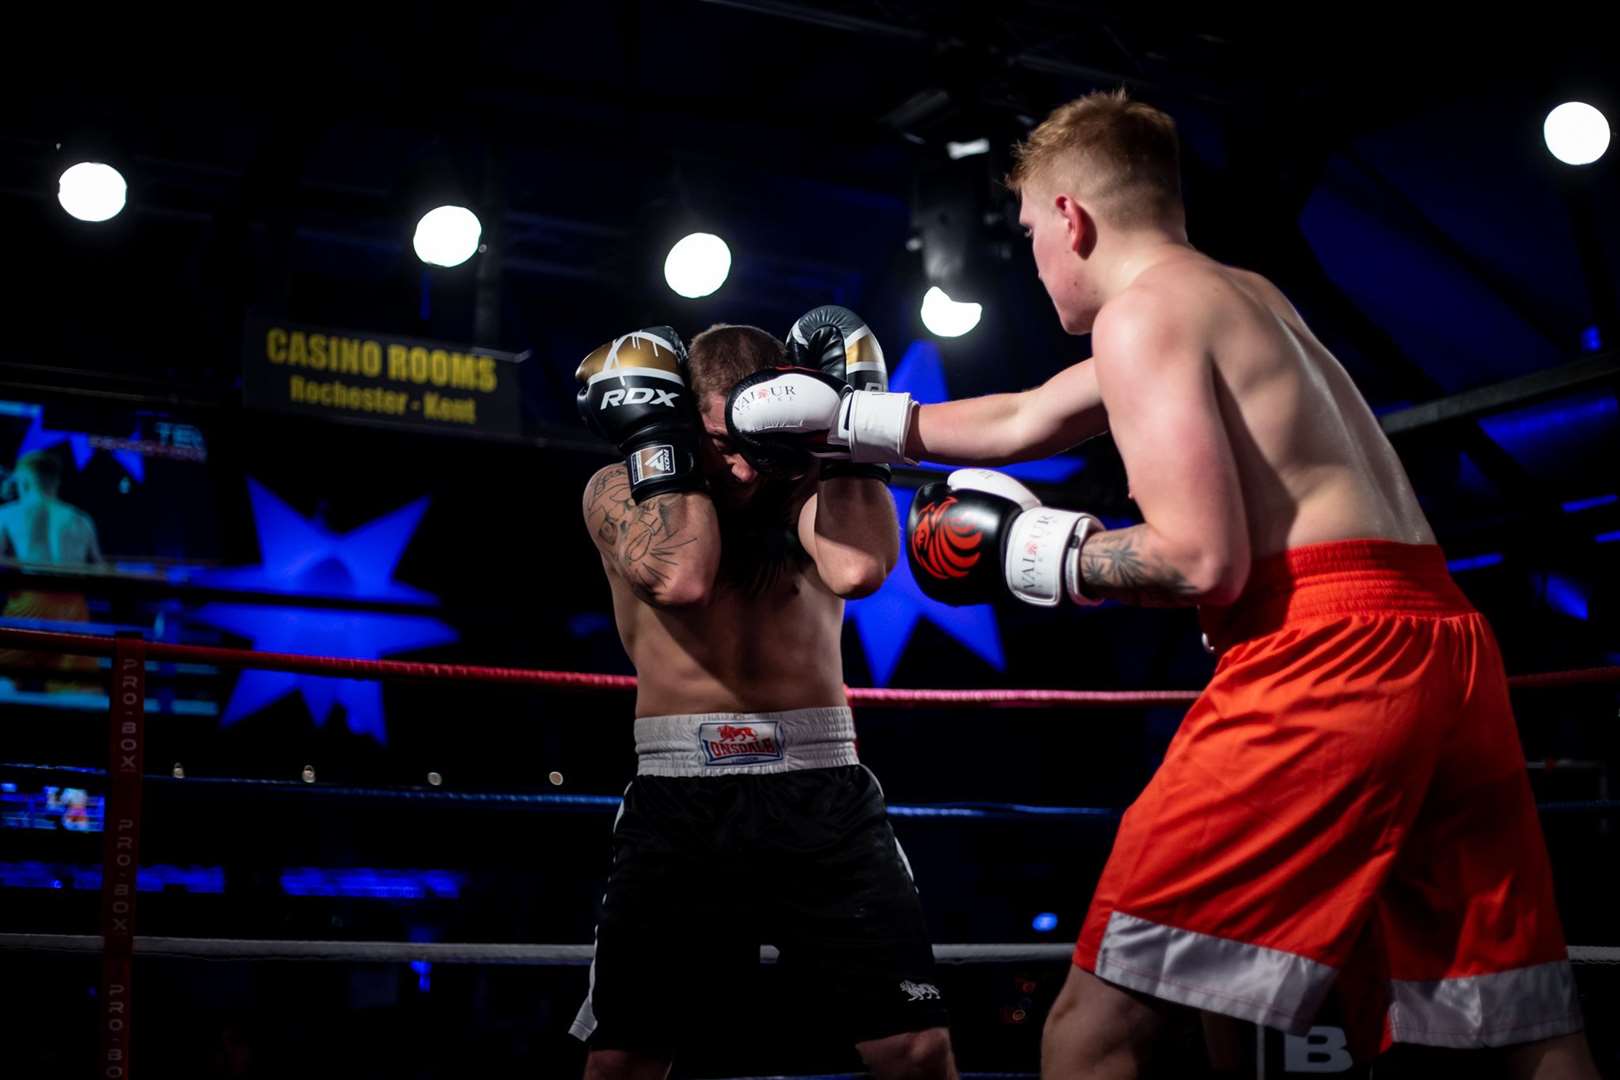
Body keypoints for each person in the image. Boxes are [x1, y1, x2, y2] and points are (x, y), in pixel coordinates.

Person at [728, 91, 1597, 1078]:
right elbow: (1023, 420)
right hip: (1444, 643)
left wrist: (1040, 555)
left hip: (1325, 658)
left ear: (1071, 218)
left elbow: (1200, 560)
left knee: (1093, 1033)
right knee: (1517, 1025)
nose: (1034, 263)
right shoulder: (1244, 296)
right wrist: (848, 423)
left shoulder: (1140, 316)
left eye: (1028, 235)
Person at [570, 310, 957, 1080]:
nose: (742, 469)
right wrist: (661, 446)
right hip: (681, 798)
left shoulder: (808, 483)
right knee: (625, 1062)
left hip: (823, 789)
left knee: (915, 1048)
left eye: (752, 442)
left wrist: (846, 431)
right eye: (717, 445)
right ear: (680, 420)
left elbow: (859, 571)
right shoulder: (619, 489)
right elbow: (683, 577)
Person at [0, 449, 103, 677]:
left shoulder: (7, 514)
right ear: (56, 481)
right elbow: (99, 569)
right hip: (74, 606)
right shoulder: (80, 519)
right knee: (77, 689)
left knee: (5, 681)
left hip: (29, 601)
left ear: (23, 481)